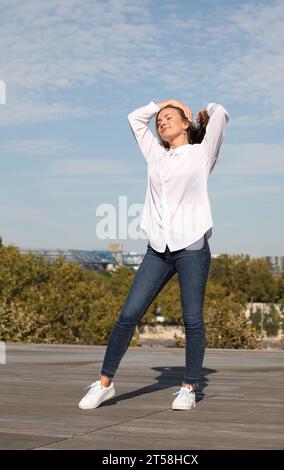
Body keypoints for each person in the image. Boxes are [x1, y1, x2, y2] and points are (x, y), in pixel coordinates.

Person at [79, 98, 229, 411]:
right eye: (160, 120)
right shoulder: (155, 155)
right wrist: (167, 102)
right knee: (128, 315)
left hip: (192, 247)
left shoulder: (202, 154)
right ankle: (105, 383)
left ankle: (189, 386)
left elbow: (221, 114)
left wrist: (204, 110)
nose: (162, 121)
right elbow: (134, 118)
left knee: (192, 319)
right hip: (157, 250)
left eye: (170, 117)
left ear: (186, 123)